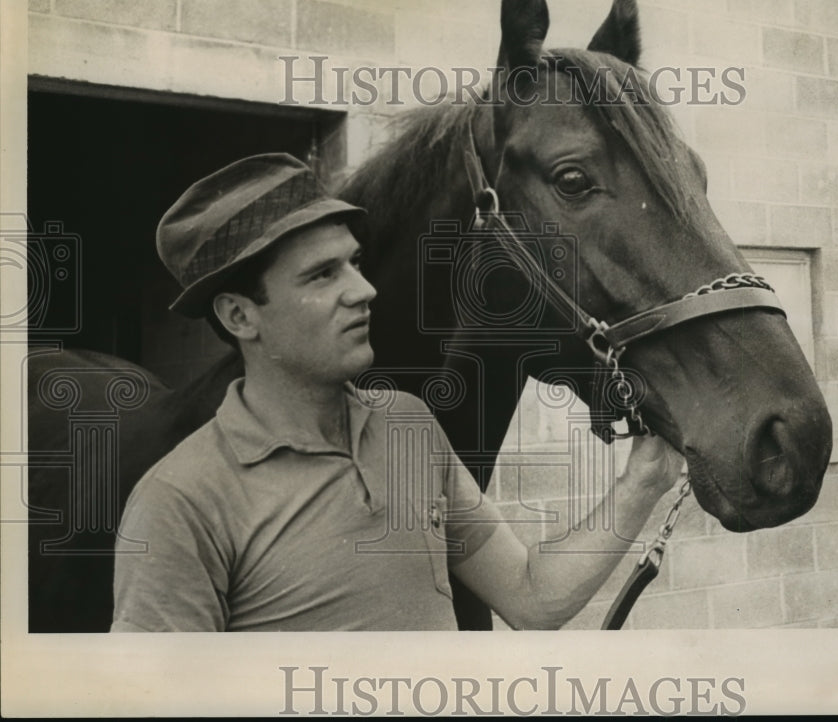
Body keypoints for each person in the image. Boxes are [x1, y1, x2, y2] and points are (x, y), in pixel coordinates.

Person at [111, 153, 685, 632]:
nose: (363, 290)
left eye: (355, 263)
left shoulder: (408, 424)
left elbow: (532, 597)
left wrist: (645, 479)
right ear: (240, 316)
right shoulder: (180, 502)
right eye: (321, 275)